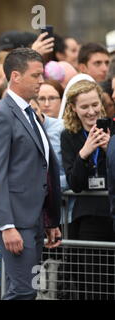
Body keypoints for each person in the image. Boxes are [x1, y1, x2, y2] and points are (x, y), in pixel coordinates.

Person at [0, 48, 62, 300]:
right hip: (15, 221)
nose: (41, 81)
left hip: (35, 218)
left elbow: (43, 166)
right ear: (15, 76)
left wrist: (50, 219)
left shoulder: (30, 114)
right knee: (24, 292)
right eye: (36, 75)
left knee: (23, 289)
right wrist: (7, 225)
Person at [61, 79, 115, 299]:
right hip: (88, 217)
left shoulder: (112, 129)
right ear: (73, 107)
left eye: (95, 104)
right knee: (93, 284)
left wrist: (110, 149)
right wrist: (84, 153)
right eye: (84, 107)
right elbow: (75, 184)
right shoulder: (69, 136)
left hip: (111, 211)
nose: (91, 111)